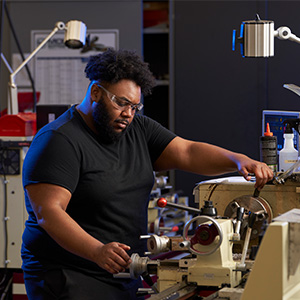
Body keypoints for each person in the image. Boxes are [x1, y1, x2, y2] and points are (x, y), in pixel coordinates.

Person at [21, 48, 273, 300]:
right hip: (70, 273)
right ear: (96, 92)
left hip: (123, 269)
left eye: (134, 106)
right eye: (121, 103)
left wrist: (238, 160)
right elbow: (49, 213)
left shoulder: (137, 129)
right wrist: (97, 250)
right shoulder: (58, 140)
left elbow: (187, 151)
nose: (128, 114)